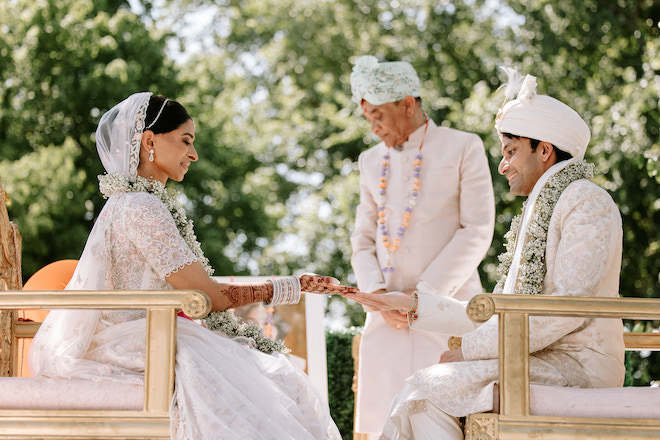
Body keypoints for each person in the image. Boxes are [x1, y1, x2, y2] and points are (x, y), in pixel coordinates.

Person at [28, 92, 358, 440]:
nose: (194, 154)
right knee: (275, 383)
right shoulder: (142, 206)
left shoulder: (131, 202)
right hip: (137, 343)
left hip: (143, 336)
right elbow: (206, 297)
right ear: (149, 141)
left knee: (274, 380)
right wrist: (292, 286)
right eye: (185, 141)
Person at [341, 71, 625, 439]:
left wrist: (470, 350)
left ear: (545, 150)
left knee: (424, 393)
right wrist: (414, 305)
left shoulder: (585, 201)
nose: (503, 165)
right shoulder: (542, 208)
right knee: (421, 389)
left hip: (576, 363)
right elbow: (499, 313)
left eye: (510, 152)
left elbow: (562, 310)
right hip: (539, 357)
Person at [348, 55, 496, 438]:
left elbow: (477, 228)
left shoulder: (463, 146)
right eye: (368, 119)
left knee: (445, 419)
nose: (374, 127)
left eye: (378, 115)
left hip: (450, 308)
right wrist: (378, 296)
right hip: (384, 319)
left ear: (408, 104)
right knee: (383, 422)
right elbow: (362, 240)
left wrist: (422, 298)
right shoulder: (368, 161)